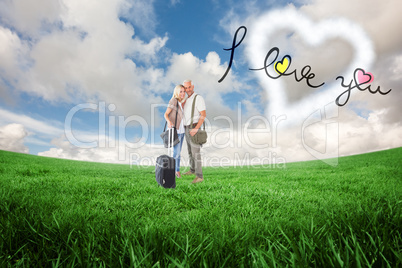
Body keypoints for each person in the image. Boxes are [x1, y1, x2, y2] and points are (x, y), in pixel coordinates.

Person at [182, 80, 206, 184]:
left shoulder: (198, 98)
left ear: (193, 86)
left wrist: (196, 129)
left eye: (189, 87)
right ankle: (192, 170)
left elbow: (203, 115)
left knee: (196, 153)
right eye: (185, 88)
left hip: (194, 127)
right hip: (186, 128)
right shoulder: (187, 100)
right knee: (190, 151)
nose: (187, 90)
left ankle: (199, 176)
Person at [164, 85, 186, 178]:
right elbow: (166, 114)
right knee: (176, 153)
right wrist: (169, 122)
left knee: (178, 153)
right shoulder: (174, 101)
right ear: (177, 92)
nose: (182, 93)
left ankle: (176, 170)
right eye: (180, 91)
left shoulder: (182, 102)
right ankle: (175, 172)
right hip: (175, 130)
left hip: (182, 131)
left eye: (183, 91)